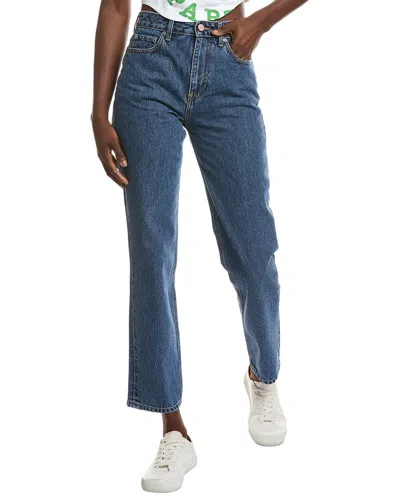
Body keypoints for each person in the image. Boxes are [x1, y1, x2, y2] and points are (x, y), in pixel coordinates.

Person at [92, 0, 308, 493]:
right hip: (149, 62)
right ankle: (173, 429)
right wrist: (98, 111)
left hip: (227, 59)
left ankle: (263, 376)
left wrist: (259, 23)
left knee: (253, 247)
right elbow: (116, 5)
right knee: (152, 251)